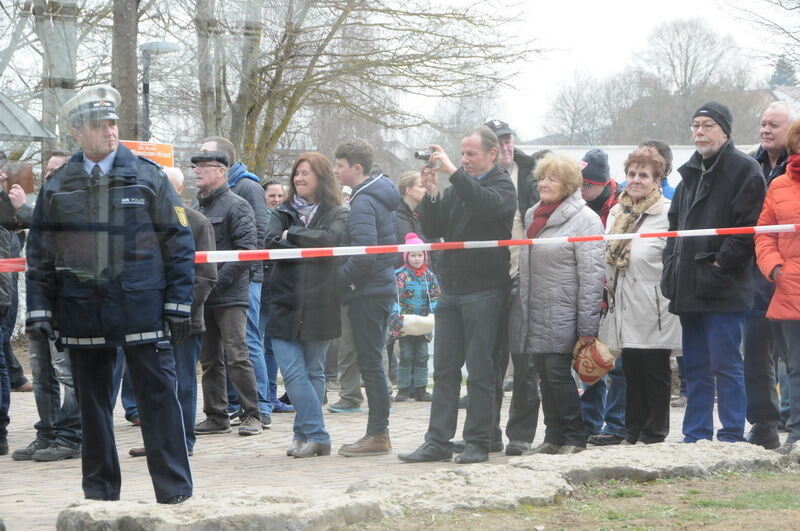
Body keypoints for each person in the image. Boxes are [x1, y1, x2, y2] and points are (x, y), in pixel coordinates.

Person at [25, 85, 194, 503]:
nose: (110, 131)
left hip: (143, 309)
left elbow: (178, 242)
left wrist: (178, 303)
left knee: (158, 403)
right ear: (77, 131)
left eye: (113, 123)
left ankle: (174, 496)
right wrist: (40, 309)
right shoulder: (58, 186)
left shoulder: (148, 175)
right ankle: (100, 498)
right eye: (99, 125)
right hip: (82, 312)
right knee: (93, 411)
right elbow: (40, 255)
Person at [399, 126, 516, 464]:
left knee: (480, 370)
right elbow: (435, 230)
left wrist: (451, 172)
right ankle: (437, 441)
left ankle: (478, 440)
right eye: (461, 154)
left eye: (471, 154)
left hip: (485, 291)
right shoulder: (456, 188)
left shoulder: (501, 186)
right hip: (451, 291)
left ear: (492, 155)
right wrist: (432, 195)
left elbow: (485, 207)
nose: (464, 160)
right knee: (444, 371)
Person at [661, 101, 766, 443]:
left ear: (725, 130)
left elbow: (749, 228)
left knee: (726, 365)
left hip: (724, 287)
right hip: (688, 285)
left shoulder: (745, 169)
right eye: (695, 126)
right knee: (695, 367)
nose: (700, 132)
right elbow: (675, 225)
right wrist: (672, 264)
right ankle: (695, 434)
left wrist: (720, 264)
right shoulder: (690, 170)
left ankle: (732, 433)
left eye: (707, 125)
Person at [509, 153, 604, 455]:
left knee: (558, 374)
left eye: (551, 179)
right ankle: (553, 436)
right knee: (543, 376)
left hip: (564, 311)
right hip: (536, 310)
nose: (543, 184)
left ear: (568, 184)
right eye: (541, 178)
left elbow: (591, 275)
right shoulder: (533, 214)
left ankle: (575, 437)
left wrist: (587, 326)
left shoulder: (585, 220)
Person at [129, 167, 217, 458]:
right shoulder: (140, 222)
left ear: (179, 190)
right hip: (146, 318)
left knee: (183, 382)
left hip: (184, 321)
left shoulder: (196, 222)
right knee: (150, 383)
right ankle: (156, 439)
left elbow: (206, 275)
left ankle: (183, 440)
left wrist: (181, 310)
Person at [266, 152, 347, 458]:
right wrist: (309, 240)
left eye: (306, 173)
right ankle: (319, 434)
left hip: (321, 303)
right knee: (294, 373)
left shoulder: (337, 211)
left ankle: (303, 434)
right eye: (297, 173)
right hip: (284, 302)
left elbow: (332, 241)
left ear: (321, 178)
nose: (299, 178)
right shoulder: (281, 210)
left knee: (314, 372)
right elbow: (270, 242)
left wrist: (293, 235)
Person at [599, 147, 681, 445]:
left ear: (657, 180)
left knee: (655, 369)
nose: (636, 180)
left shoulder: (667, 211)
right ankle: (631, 428)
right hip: (623, 300)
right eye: (632, 174)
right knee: (630, 369)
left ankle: (655, 430)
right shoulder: (618, 212)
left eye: (643, 175)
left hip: (654, 301)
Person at [11, 152, 82, 462]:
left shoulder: (75, 201)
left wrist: (23, 208)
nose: (49, 174)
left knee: (66, 371)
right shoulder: (44, 200)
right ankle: (47, 434)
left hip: (65, 300)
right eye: (47, 170)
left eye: (56, 169)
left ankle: (70, 436)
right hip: (37, 298)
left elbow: (54, 230)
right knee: (40, 371)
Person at [199, 137, 271, 425]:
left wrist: (216, 281)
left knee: (238, 353)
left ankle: (253, 413)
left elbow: (248, 251)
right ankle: (216, 415)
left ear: (221, 170)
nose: (197, 171)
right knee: (210, 359)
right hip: (206, 294)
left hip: (230, 293)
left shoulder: (238, 204)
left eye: (204, 165)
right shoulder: (199, 206)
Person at [334, 139, 399, 457]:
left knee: (372, 365)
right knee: (373, 363)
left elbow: (363, 255)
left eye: (340, 165)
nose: (336, 171)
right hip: (378, 289)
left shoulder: (363, 201)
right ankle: (378, 433)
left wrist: (338, 283)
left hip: (369, 292)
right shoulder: (378, 196)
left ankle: (377, 434)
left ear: (356, 168)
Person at [482, 119, 542, 456]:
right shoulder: (476, 179)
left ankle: (521, 433)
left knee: (525, 361)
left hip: (526, 277)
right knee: (488, 360)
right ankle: (486, 431)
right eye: (497, 140)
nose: (505, 146)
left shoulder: (533, 174)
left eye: (508, 139)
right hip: (490, 279)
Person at [743, 101, 794, 450]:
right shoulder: (749, 165)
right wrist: (771, 265)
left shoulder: (793, 167)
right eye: (763, 123)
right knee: (756, 353)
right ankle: (764, 423)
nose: (766, 130)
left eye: (774, 125)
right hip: (759, 275)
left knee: (794, 357)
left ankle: (795, 422)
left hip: (793, 278)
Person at [755, 118, 800, 457]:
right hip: (789, 289)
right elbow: (764, 233)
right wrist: (774, 269)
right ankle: (796, 436)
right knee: (794, 367)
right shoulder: (779, 185)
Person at [578, 148, 626, 446]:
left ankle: (617, 422)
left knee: (618, 363)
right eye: (579, 184)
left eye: (588, 186)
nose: (582, 191)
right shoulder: (576, 205)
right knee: (588, 360)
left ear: (603, 182)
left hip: (616, 293)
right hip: (589, 291)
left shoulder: (619, 205)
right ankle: (588, 421)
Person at [391, 233, 440, 402]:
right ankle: (403, 388)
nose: (417, 259)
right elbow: (394, 297)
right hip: (406, 324)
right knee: (405, 355)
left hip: (423, 324)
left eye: (420, 255)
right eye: (413, 255)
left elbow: (435, 296)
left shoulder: (429, 276)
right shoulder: (401, 276)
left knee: (422, 355)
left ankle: (420, 388)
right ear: (406, 256)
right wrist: (397, 314)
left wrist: (434, 311)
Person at [260, 179, 294, 413]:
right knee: (259, 345)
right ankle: (263, 397)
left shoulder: (286, 216)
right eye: (272, 195)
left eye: (280, 196)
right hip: (261, 288)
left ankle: (271, 395)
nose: (276, 200)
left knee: (272, 346)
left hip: (280, 289)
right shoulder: (262, 218)